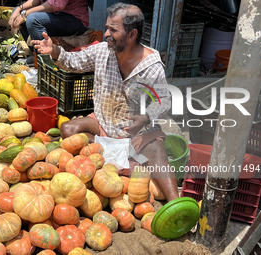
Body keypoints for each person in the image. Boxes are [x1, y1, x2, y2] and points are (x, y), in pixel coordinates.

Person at [32, 2, 179, 202]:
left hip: (134, 135)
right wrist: (55, 51)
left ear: (132, 34)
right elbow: (75, 62)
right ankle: (125, 161)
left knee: (155, 149)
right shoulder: (103, 51)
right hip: (102, 123)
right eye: (107, 27)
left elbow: (164, 100)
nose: (107, 33)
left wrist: (145, 118)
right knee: (68, 130)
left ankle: (176, 202)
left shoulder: (151, 66)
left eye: (113, 29)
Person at [9, 0, 90, 63]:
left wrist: (25, 14)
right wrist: (19, 9)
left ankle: (45, 63)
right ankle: (35, 53)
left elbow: (55, 5)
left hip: (75, 20)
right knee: (17, 12)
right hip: (56, 15)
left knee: (32, 19)